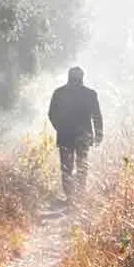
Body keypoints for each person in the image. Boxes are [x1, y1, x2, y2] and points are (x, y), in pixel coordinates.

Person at [48, 66, 103, 199]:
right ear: (82, 78)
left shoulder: (59, 93)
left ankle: (69, 196)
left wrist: (60, 128)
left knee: (66, 167)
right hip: (83, 136)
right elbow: (97, 116)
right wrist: (98, 135)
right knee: (82, 166)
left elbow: (51, 114)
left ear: (69, 77)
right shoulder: (90, 94)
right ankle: (80, 195)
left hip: (65, 136)